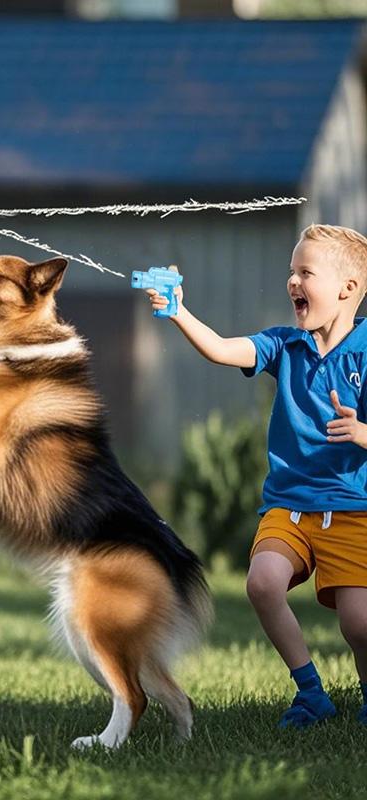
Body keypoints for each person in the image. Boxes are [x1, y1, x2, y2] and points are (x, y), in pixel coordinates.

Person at [147, 224, 367, 729]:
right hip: (288, 506)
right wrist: (178, 310)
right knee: (263, 583)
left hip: (355, 510)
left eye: (305, 272)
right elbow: (223, 349)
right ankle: (311, 692)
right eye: (291, 271)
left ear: (347, 289)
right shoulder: (284, 346)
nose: (292, 281)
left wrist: (361, 432)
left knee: (360, 625)